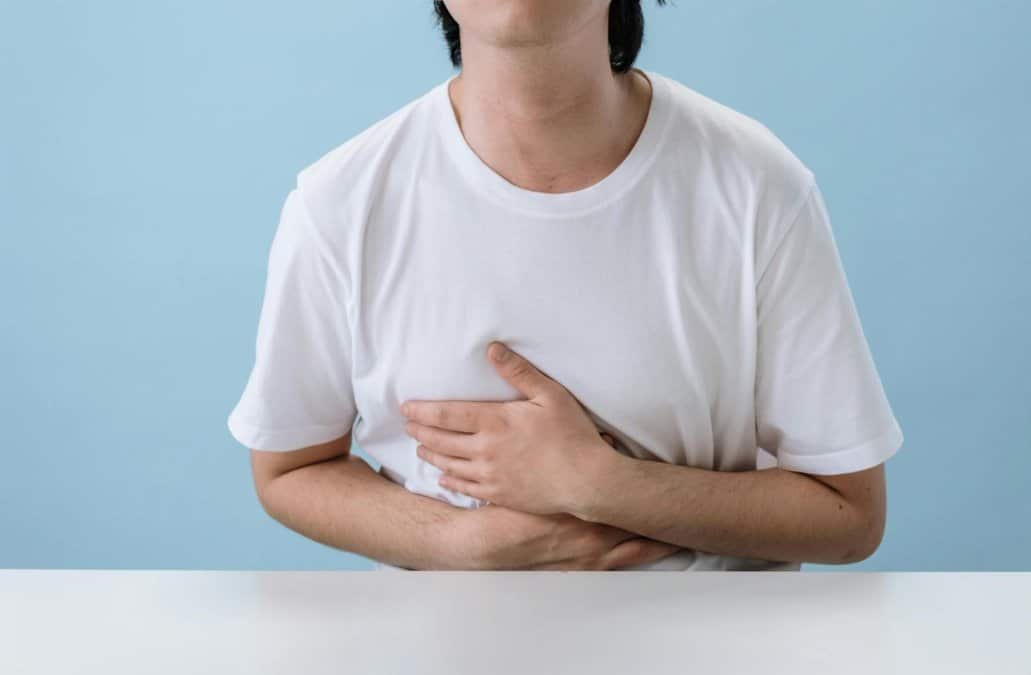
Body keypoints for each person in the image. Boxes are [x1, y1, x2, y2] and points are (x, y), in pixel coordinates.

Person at [227, 0, 904, 571]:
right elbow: (288, 469)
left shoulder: (756, 185)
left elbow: (848, 511)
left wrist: (603, 484)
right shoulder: (342, 202)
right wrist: (463, 543)